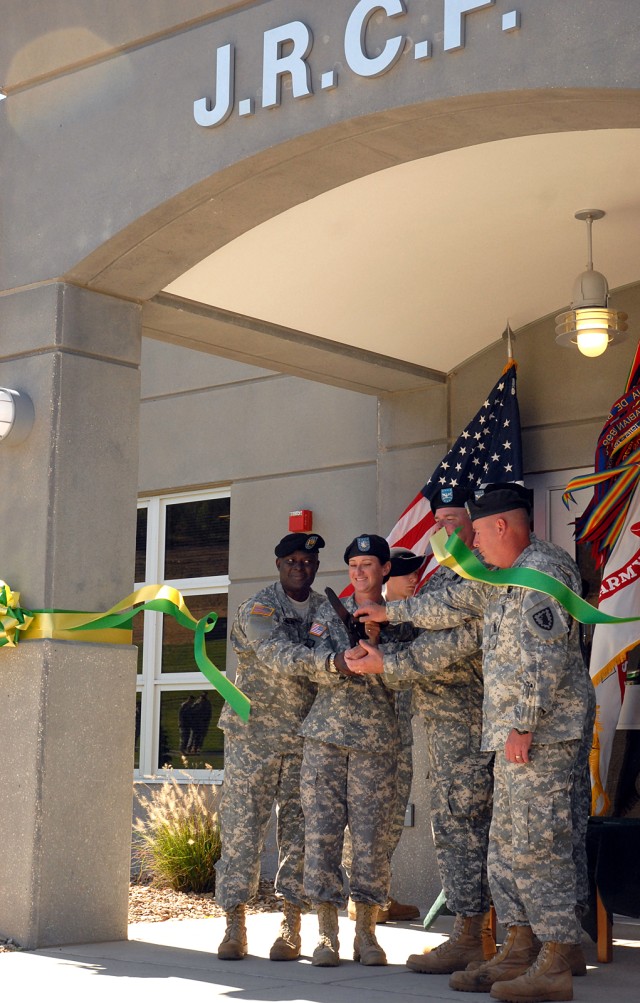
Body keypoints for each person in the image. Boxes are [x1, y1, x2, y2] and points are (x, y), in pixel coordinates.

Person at [351, 484, 593, 1003]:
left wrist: (523, 722)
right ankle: (522, 947)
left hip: (539, 732)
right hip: (509, 730)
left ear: (501, 525)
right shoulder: (500, 575)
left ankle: (553, 960)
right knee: (508, 844)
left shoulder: (542, 571)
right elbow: (455, 600)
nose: (472, 544)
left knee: (537, 843)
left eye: (477, 531)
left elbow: (541, 652)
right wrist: (389, 614)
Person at [380, 497, 497, 974]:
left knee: (466, 826)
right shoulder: (443, 575)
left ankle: (473, 935)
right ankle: (479, 931)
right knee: (457, 825)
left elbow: (454, 641)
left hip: (473, 721)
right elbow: (417, 627)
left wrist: (389, 656)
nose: (443, 527)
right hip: (446, 722)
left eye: (454, 521)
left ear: (477, 529)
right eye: (439, 521)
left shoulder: (484, 573)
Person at [215, 531, 326, 962]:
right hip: (254, 739)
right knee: (242, 830)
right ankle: (233, 923)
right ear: (278, 564)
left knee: (299, 834)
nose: (301, 566)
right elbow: (277, 653)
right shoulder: (258, 608)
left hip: (303, 739)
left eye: (309, 561)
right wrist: (331, 662)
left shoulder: (324, 610)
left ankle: (291, 924)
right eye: (293, 560)